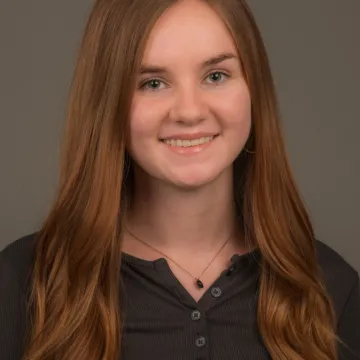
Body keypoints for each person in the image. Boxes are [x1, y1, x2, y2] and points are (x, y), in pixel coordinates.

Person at [0, 0, 359, 359]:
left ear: (255, 89)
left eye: (215, 76)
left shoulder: (328, 285)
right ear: (108, 102)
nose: (189, 111)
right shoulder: (24, 284)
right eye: (153, 83)